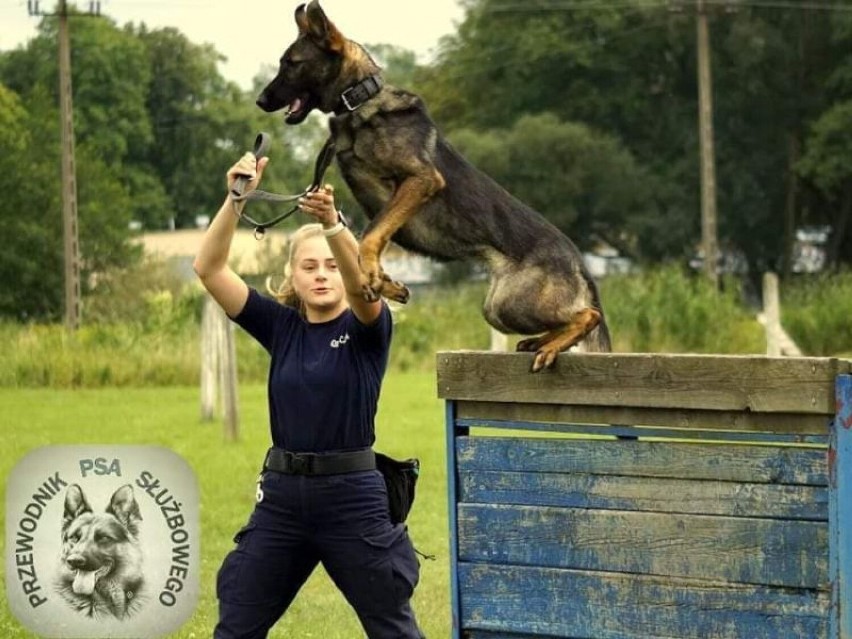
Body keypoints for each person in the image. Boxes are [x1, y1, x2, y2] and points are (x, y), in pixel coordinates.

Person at [194, 151, 424, 639]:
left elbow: (367, 291)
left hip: (352, 499)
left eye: (331, 267)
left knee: (393, 628)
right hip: (282, 499)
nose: (322, 274)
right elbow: (209, 268)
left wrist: (335, 226)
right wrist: (237, 198)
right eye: (309, 266)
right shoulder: (281, 328)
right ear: (293, 277)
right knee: (235, 625)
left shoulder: (368, 330)